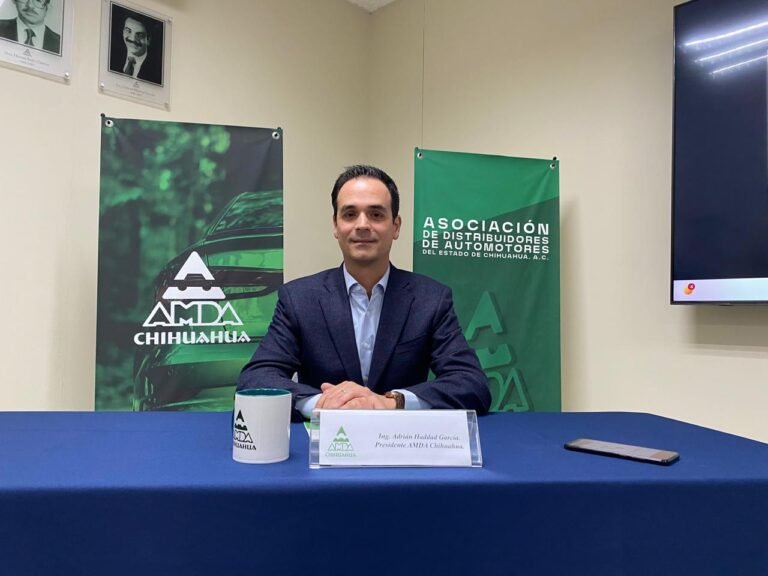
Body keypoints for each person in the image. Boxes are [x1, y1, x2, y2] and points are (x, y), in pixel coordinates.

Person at [238, 165, 491, 421]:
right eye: (350, 214)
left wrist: (391, 402)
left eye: (376, 214)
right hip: (324, 439)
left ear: (396, 226)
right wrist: (324, 404)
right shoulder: (299, 299)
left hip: (401, 441)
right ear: (336, 225)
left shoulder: (431, 299)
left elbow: (471, 383)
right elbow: (256, 379)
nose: (362, 225)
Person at [111, 12, 162, 85]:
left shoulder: (157, 71)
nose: (132, 39)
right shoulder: (112, 57)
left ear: (148, 40)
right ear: (123, 31)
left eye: (139, 35)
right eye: (128, 31)